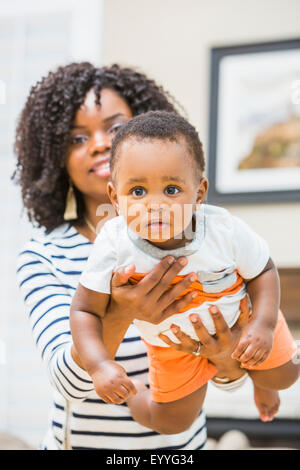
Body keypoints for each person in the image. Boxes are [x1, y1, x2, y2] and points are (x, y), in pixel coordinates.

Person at [14, 62, 251, 450]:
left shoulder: (200, 241)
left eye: (114, 127)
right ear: (55, 158)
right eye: (76, 138)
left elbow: (231, 378)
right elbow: (69, 386)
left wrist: (226, 359)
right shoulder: (44, 257)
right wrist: (123, 311)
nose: (98, 144)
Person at [70, 110, 299, 435]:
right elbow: (83, 310)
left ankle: (259, 378)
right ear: (115, 199)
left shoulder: (223, 230)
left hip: (243, 323)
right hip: (172, 345)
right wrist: (100, 366)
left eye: (172, 190)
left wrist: (262, 325)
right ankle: (136, 395)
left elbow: (263, 270)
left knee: (285, 375)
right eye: (137, 191)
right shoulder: (113, 244)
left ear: (199, 193)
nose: (155, 204)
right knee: (171, 423)